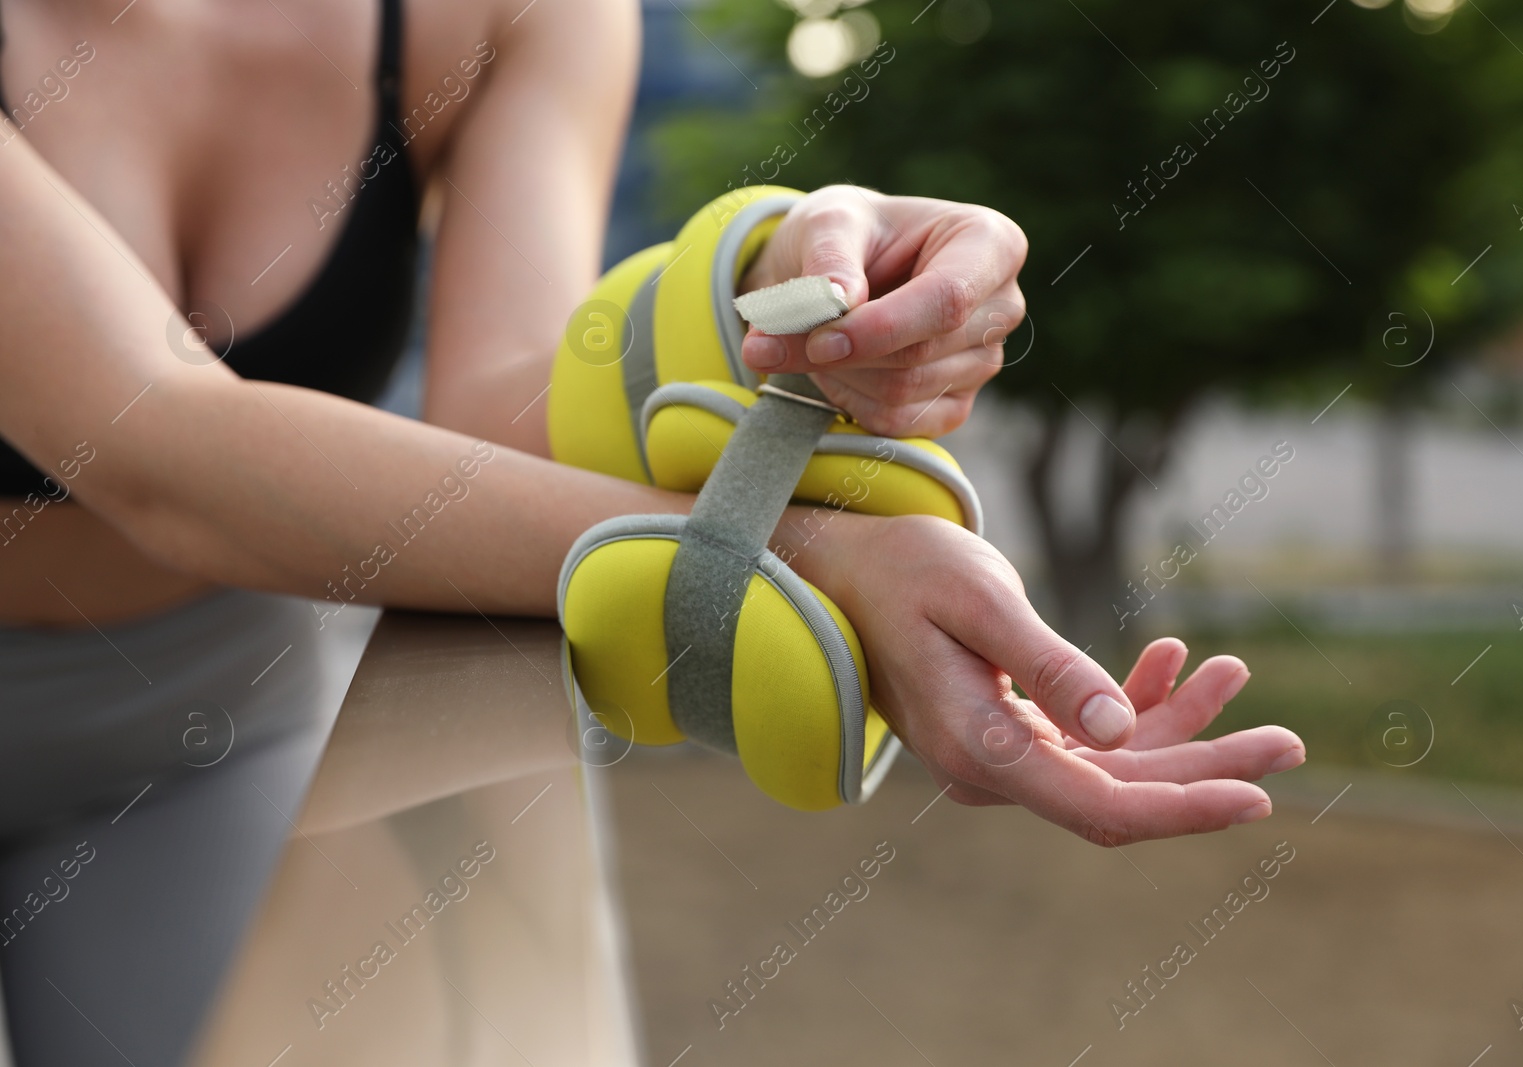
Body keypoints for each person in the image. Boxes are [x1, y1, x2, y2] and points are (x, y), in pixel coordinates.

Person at [0, 0, 1304, 1063]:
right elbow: (154, 446)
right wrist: (795, 555)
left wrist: (778, 288)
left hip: (201, 726)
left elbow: (507, 428)